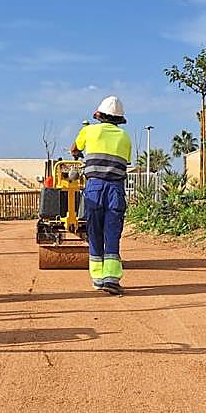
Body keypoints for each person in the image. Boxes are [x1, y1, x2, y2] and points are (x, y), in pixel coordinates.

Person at [69, 96, 131, 295]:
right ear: (119, 119)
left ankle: (97, 278)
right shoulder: (125, 137)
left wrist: (78, 154)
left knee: (94, 232)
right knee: (112, 233)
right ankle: (111, 278)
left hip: (94, 188)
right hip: (115, 189)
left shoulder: (89, 131)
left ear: (99, 115)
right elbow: (125, 161)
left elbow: (74, 149)